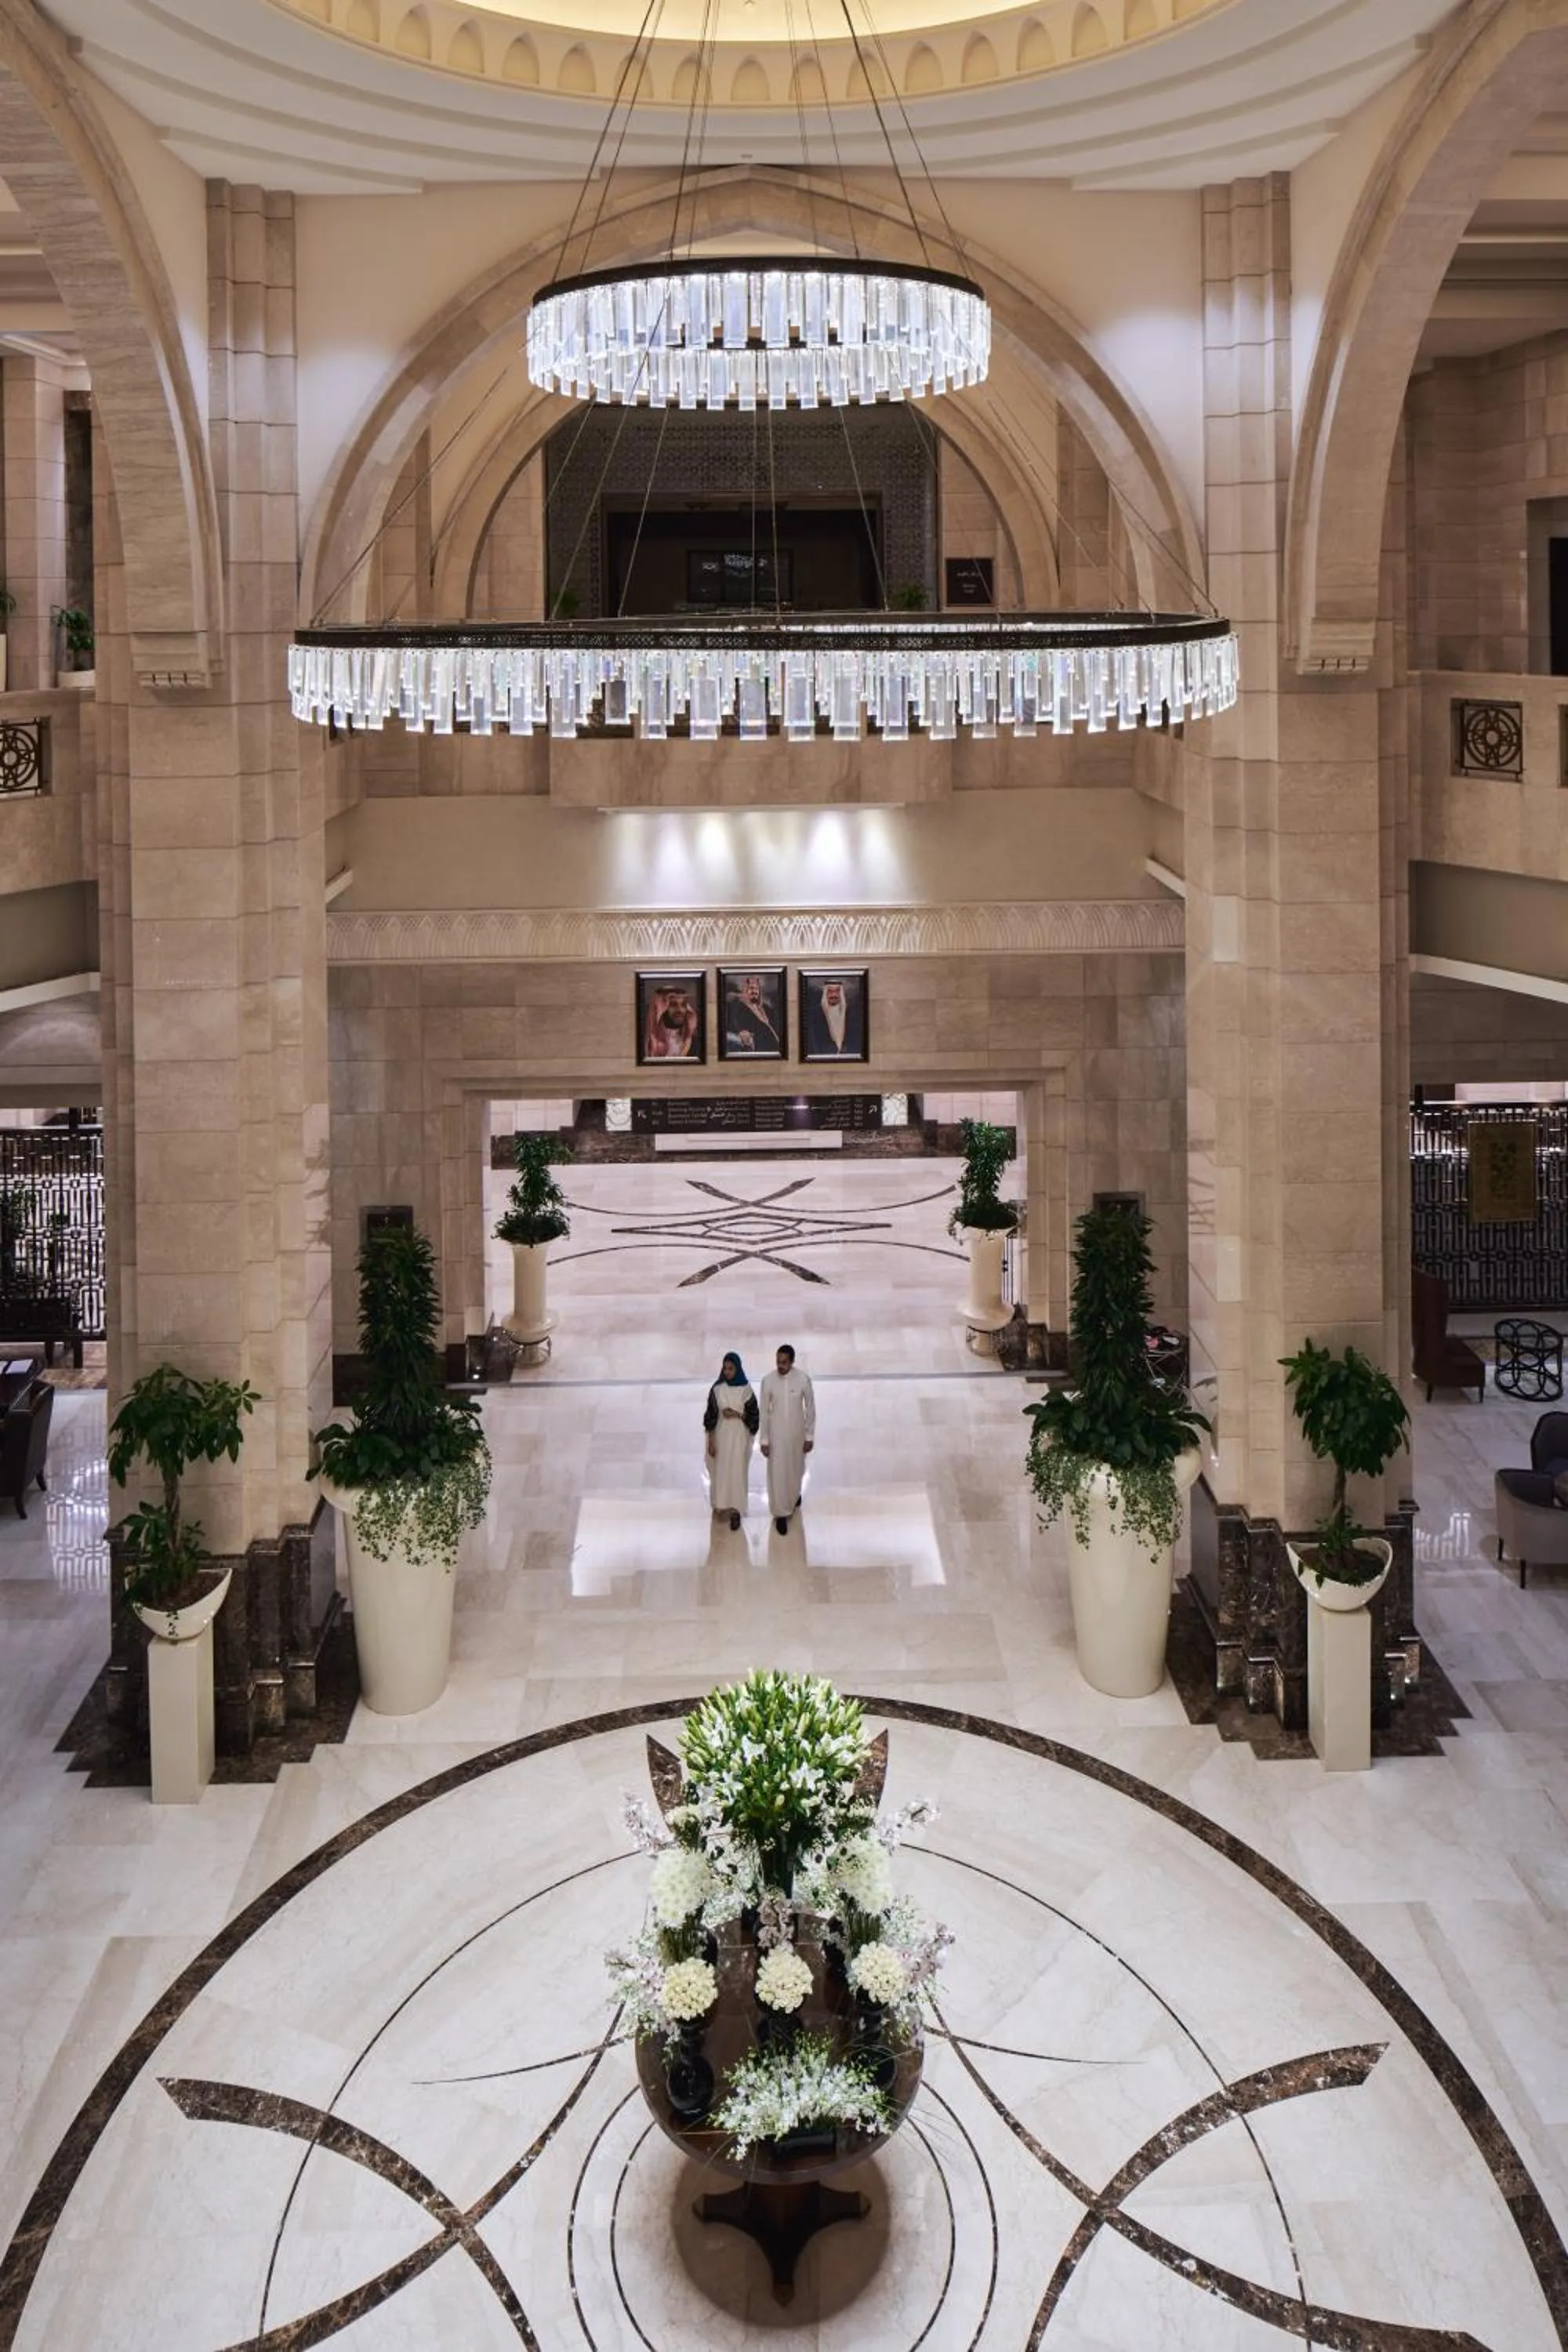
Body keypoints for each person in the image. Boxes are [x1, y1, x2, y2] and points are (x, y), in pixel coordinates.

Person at [760, 1343, 815, 1534]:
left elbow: (810, 1409)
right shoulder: (768, 1381)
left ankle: (794, 1496)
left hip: (797, 1435)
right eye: (778, 1361)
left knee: (796, 1469)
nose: (780, 1366)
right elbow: (764, 1413)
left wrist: (809, 1436)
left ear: (792, 1362)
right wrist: (764, 1440)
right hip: (776, 1436)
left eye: (784, 1362)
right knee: (778, 1474)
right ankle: (781, 1513)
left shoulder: (803, 1380)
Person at [703, 1350, 758, 1532]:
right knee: (721, 1472)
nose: (727, 1372)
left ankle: (736, 1511)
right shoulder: (717, 1389)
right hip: (722, 1438)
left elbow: (754, 1417)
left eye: (731, 1369)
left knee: (737, 1473)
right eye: (725, 1368)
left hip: (739, 1440)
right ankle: (721, 1503)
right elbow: (710, 1417)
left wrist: (736, 1414)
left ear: (738, 1369)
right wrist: (711, 1441)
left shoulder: (746, 1390)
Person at [724, 971, 782, 1057]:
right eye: (751, 988)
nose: (754, 991)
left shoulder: (767, 1009)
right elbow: (735, 1027)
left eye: (756, 989)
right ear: (744, 989)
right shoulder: (738, 1007)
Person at [803, 975, 862, 1058]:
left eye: (837, 991)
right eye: (830, 991)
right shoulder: (815, 1014)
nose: (833, 995)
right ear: (825, 993)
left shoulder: (851, 1012)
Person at [643, 982, 700, 1060]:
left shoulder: (695, 1044)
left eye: (683, 1005)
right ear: (661, 1009)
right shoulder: (647, 1042)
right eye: (673, 1005)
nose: (680, 1010)